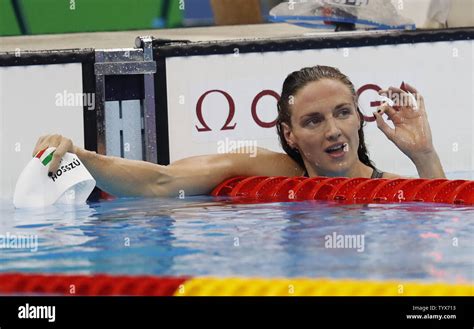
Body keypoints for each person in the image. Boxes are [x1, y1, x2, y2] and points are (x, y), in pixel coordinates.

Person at [32, 65, 445, 198]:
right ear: (289, 134)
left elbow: (448, 238)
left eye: (343, 113)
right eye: (313, 121)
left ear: (359, 118)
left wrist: (424, 154)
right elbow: (161, 181)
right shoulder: (263, 170)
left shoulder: (393, 188)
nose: (334, 131)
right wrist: (80, 156)